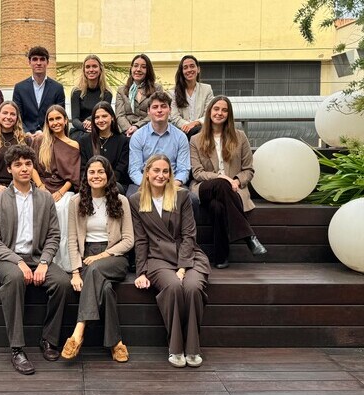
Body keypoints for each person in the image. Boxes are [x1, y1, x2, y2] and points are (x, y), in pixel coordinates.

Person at [0, 145, 71, 375]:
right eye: (18, 165)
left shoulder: (45, 198)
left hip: (37, 257)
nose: (24, 168)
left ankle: (49, 339)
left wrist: (44, 262)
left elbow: (54, 235)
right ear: (9, 169)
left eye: (28, 164)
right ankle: (17, 349)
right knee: (15, 279)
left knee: (62, 283)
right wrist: (18, 262)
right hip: (6, 259)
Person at [129, 154, 210, 368]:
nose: (161, 175)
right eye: (156, 170)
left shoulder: (181, 196)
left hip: (189, 255)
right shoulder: (136, 200)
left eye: (165, 171)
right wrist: (141, 271)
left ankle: (192, 348)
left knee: (192, 288)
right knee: (173, 287)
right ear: (147, 173)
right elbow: (140, 239)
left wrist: (182, 268)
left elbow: (189, 235)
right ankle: (176, 347)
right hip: (157, 258)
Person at [62, 156, 133, 362]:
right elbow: (72, 240)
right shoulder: (76, 202)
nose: (96, 176)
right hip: (86, 256)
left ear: (108, 174)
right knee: (106, 290)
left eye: (101, 172)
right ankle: (116, 343)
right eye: (92, 172)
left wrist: (102, 255)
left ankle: (78, 331)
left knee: (95, 270)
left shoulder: (121, 201)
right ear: (86, 176)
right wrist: (75, 272)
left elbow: (128, 240)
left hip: (115, 256)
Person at [190, 95, 267, 269]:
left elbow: (248, 169)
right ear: (209, 112)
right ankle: (248, 236)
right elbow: (197, 172)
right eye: (216, 109)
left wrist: (237, 181)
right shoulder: (196, 139)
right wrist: (222, 178)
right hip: (205, 187)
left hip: (233, 189)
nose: (220, 113)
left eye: (224, 110)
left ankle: (221, 257)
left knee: (218, 207)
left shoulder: (240, 137)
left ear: (229, 114)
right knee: (221, 184)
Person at [32, 105, 80, 271]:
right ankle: (40, 258)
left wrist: (60, 192)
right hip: (41, 186)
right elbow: (32, 168)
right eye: (51, 119)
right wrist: (41, 187)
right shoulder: (39, 141)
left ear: (65, 120)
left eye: (58, 118)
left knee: (62, 208)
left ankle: (63, 262)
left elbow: (73, 175)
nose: (55, 122)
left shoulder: (74, 144)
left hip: (64, 188)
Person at [127, 91, 190, 198]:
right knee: (132, 198)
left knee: (191, 199)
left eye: (163, 106)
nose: (159, 110)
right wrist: (150, 185)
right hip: (145, 182)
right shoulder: (138, 136)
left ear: (170, 110)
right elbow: (134, 170)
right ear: (148, 111)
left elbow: (183, 170)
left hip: (172, 182)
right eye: (155, 107)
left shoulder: (180, 137)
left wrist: (171, 185)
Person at [0, 101, 32, 207]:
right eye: (5, 113)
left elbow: (31, 166)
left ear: (17, 118)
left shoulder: (25, 140)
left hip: (20, 184)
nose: (8, 117)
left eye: (12, 114)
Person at [12, 46, 66, 134]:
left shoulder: (57, 88)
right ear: (29, 62)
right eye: (35, 59)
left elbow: (60, 116)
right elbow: (18, 117)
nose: (38, 63)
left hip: (50, 134)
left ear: (47, 62)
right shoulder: (19, 88)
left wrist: (45, 133)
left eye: (42, 59)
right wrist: (27, 133)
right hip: (25, 135)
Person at [79, 101, 130, 194]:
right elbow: (83, 168)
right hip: (91, 183)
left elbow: (121, 170)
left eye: (104, 116)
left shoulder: (123, 141)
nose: (101, 120)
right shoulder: (85, 140)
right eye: (97, 117)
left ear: (112, 117)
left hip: (115, 184)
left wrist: (104, 183)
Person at [115, 54, 162, 136]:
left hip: (149, 130)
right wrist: (129, 129)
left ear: (148, 70)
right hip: (126, 133)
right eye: (135, 66)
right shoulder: (121, 90)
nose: (138, 69)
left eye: (143, 67)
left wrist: (137, 126)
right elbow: (119, 115)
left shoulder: (157, 89)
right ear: (131, 68)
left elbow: (156, 113)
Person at [69, 55, 113, 141]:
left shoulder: (107, 93)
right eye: (88, 67)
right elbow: (75, 120)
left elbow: (104, 116)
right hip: (80, 130)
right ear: (84, 70)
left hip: (100, 127)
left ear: (100, 70)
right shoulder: (76, 92)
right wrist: (85, 127)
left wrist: (90, 120)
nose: (91, 70)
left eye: (94, 66)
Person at [170, 55, 214, 139]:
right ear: (182, 71)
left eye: (192, 66)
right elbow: (174, 117)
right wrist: (188, 126)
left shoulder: (207, 89)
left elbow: (209, 113)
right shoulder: (173, 92)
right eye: (185, 67)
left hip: (202, 132)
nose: (189, 70)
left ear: (198, 69)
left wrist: (195, 123)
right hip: (181, 133)